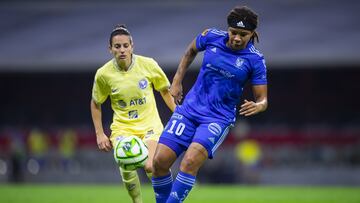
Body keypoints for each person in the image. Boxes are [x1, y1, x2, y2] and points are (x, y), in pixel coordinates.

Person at [151, 6, 268, 203]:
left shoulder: (255, 60)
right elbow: (190, 51)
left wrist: (259, 105)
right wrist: (177, 81)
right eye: (234, 33)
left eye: (243, 34)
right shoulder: (211, 36)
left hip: (217, 119)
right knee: (159, 162)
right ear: (227, 29)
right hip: (188, 110)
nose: (237, 38)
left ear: (252, 34)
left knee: (189, 162)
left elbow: (263, 98)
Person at [90, 24, 176, 203]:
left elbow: (165, 91)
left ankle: (167, 199)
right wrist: (99, 134)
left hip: (150, 125)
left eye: (125, 46)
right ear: (110, 49)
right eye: (117, 46)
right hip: (123, 128)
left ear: (132, 46)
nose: (122, 50)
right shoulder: (103, 74)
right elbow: (96, 103)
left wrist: (179, 114)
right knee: (126, 164)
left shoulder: (148, 64)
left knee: (152, 166)